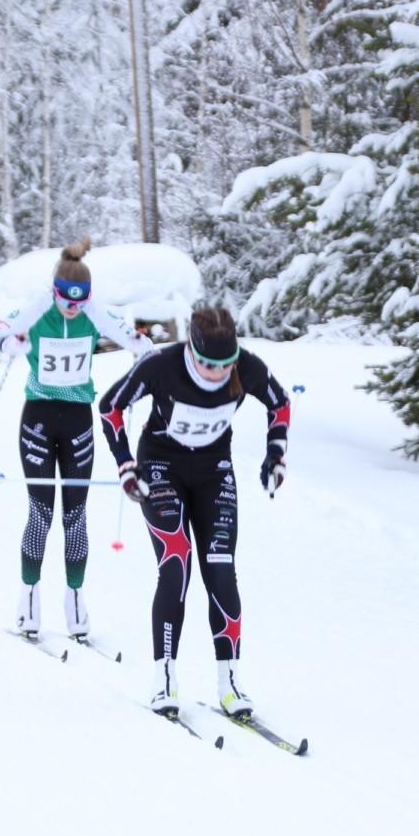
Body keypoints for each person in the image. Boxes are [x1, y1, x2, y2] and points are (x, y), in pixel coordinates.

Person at [98, 306, 290, 717]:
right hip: (161, 468)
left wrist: (276, 454)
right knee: (176, 561)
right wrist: (126, 464)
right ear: (191, 351)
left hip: (213, 472)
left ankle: (230, 682)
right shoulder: (162, 365)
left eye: (224, 365)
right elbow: (110, 406)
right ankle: (164, 675)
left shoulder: (246, 367)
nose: (216, 373)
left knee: (220, 567)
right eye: (206, 364)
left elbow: (281, 404)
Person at [0, 237, 153, 639]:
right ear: (54, 291)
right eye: (65, 299)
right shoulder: (39, 307)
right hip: (38, 417)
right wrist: (6, 343)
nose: (72, 306)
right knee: (40, 512)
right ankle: (28, 598)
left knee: (75, 516)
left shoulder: (93, 312)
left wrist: (142, 349)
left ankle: (75, 600)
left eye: (80, 299)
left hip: (78, 420)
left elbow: (137, 342)